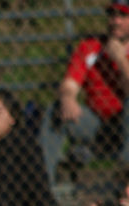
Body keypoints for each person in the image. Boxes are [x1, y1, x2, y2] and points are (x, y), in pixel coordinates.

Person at [39, 1, 129, 187]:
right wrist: (68, 98)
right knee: (56, 111)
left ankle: (125, 177)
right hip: (97, 125)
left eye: (123, 16)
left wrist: (120, 60)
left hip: (125, 126)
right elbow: (69, 84)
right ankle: (43, 186)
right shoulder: (90, 47)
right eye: (112, 15)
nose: (116, 21)